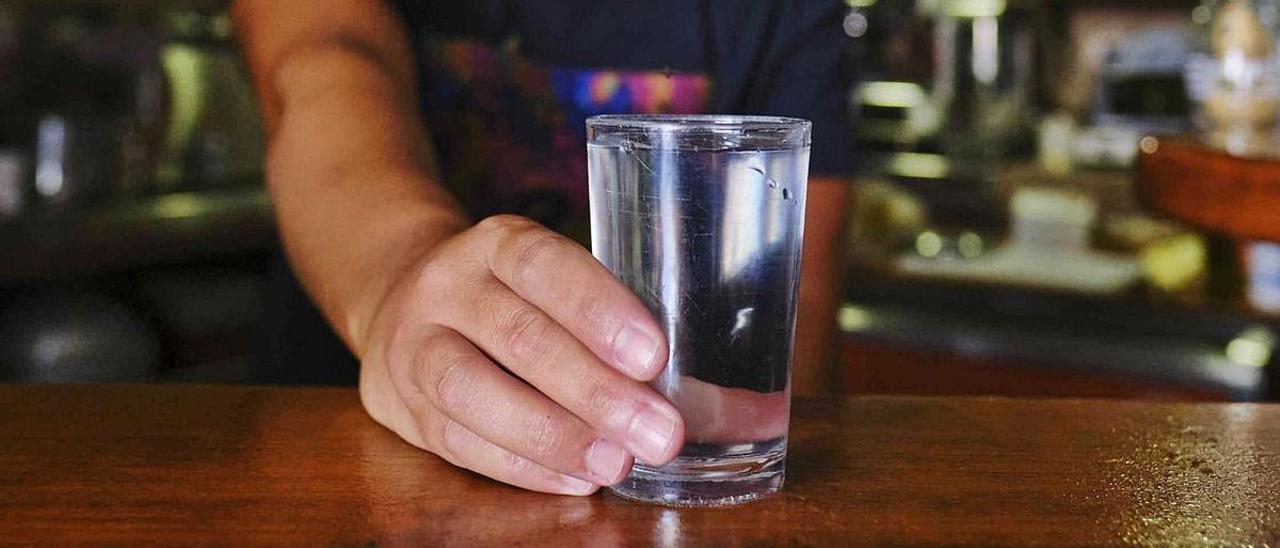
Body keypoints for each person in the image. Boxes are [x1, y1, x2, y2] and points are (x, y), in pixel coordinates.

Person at [232, 0, 854, 496]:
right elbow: (321, 69)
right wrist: (397, 279)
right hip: (340, 470)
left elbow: (788, 342)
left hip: (651, 474)